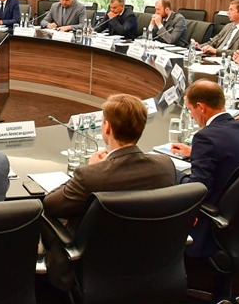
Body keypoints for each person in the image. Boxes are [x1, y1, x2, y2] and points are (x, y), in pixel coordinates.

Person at [43, 93, 176, 290]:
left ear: (107, 127)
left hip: (95, 265)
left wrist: (90, 168)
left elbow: (50, 205)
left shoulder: (91, 176)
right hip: (150, 260)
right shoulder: (165, 165)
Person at [170, 80, 239, 257]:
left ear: (201, 107)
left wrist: (174, 173)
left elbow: (197, 189)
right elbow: (229, 155)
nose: (191, 116)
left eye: (190, 110)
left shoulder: (205, 137)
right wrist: (195, 153)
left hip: (215, 220)